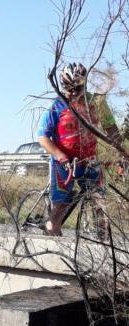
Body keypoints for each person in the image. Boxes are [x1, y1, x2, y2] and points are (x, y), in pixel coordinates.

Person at [37, 62, 120, 236]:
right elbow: (43, 137)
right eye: (69, 89)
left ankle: (103, 245)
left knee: (100, 204)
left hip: (89, 160)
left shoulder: (96, 103)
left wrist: (120, 153)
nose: (73, 93)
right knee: (60, 207)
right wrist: (60, 156)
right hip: (64, 162)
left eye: (78, 88)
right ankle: (53, 239)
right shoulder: (56, 106)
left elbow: (111, 129)